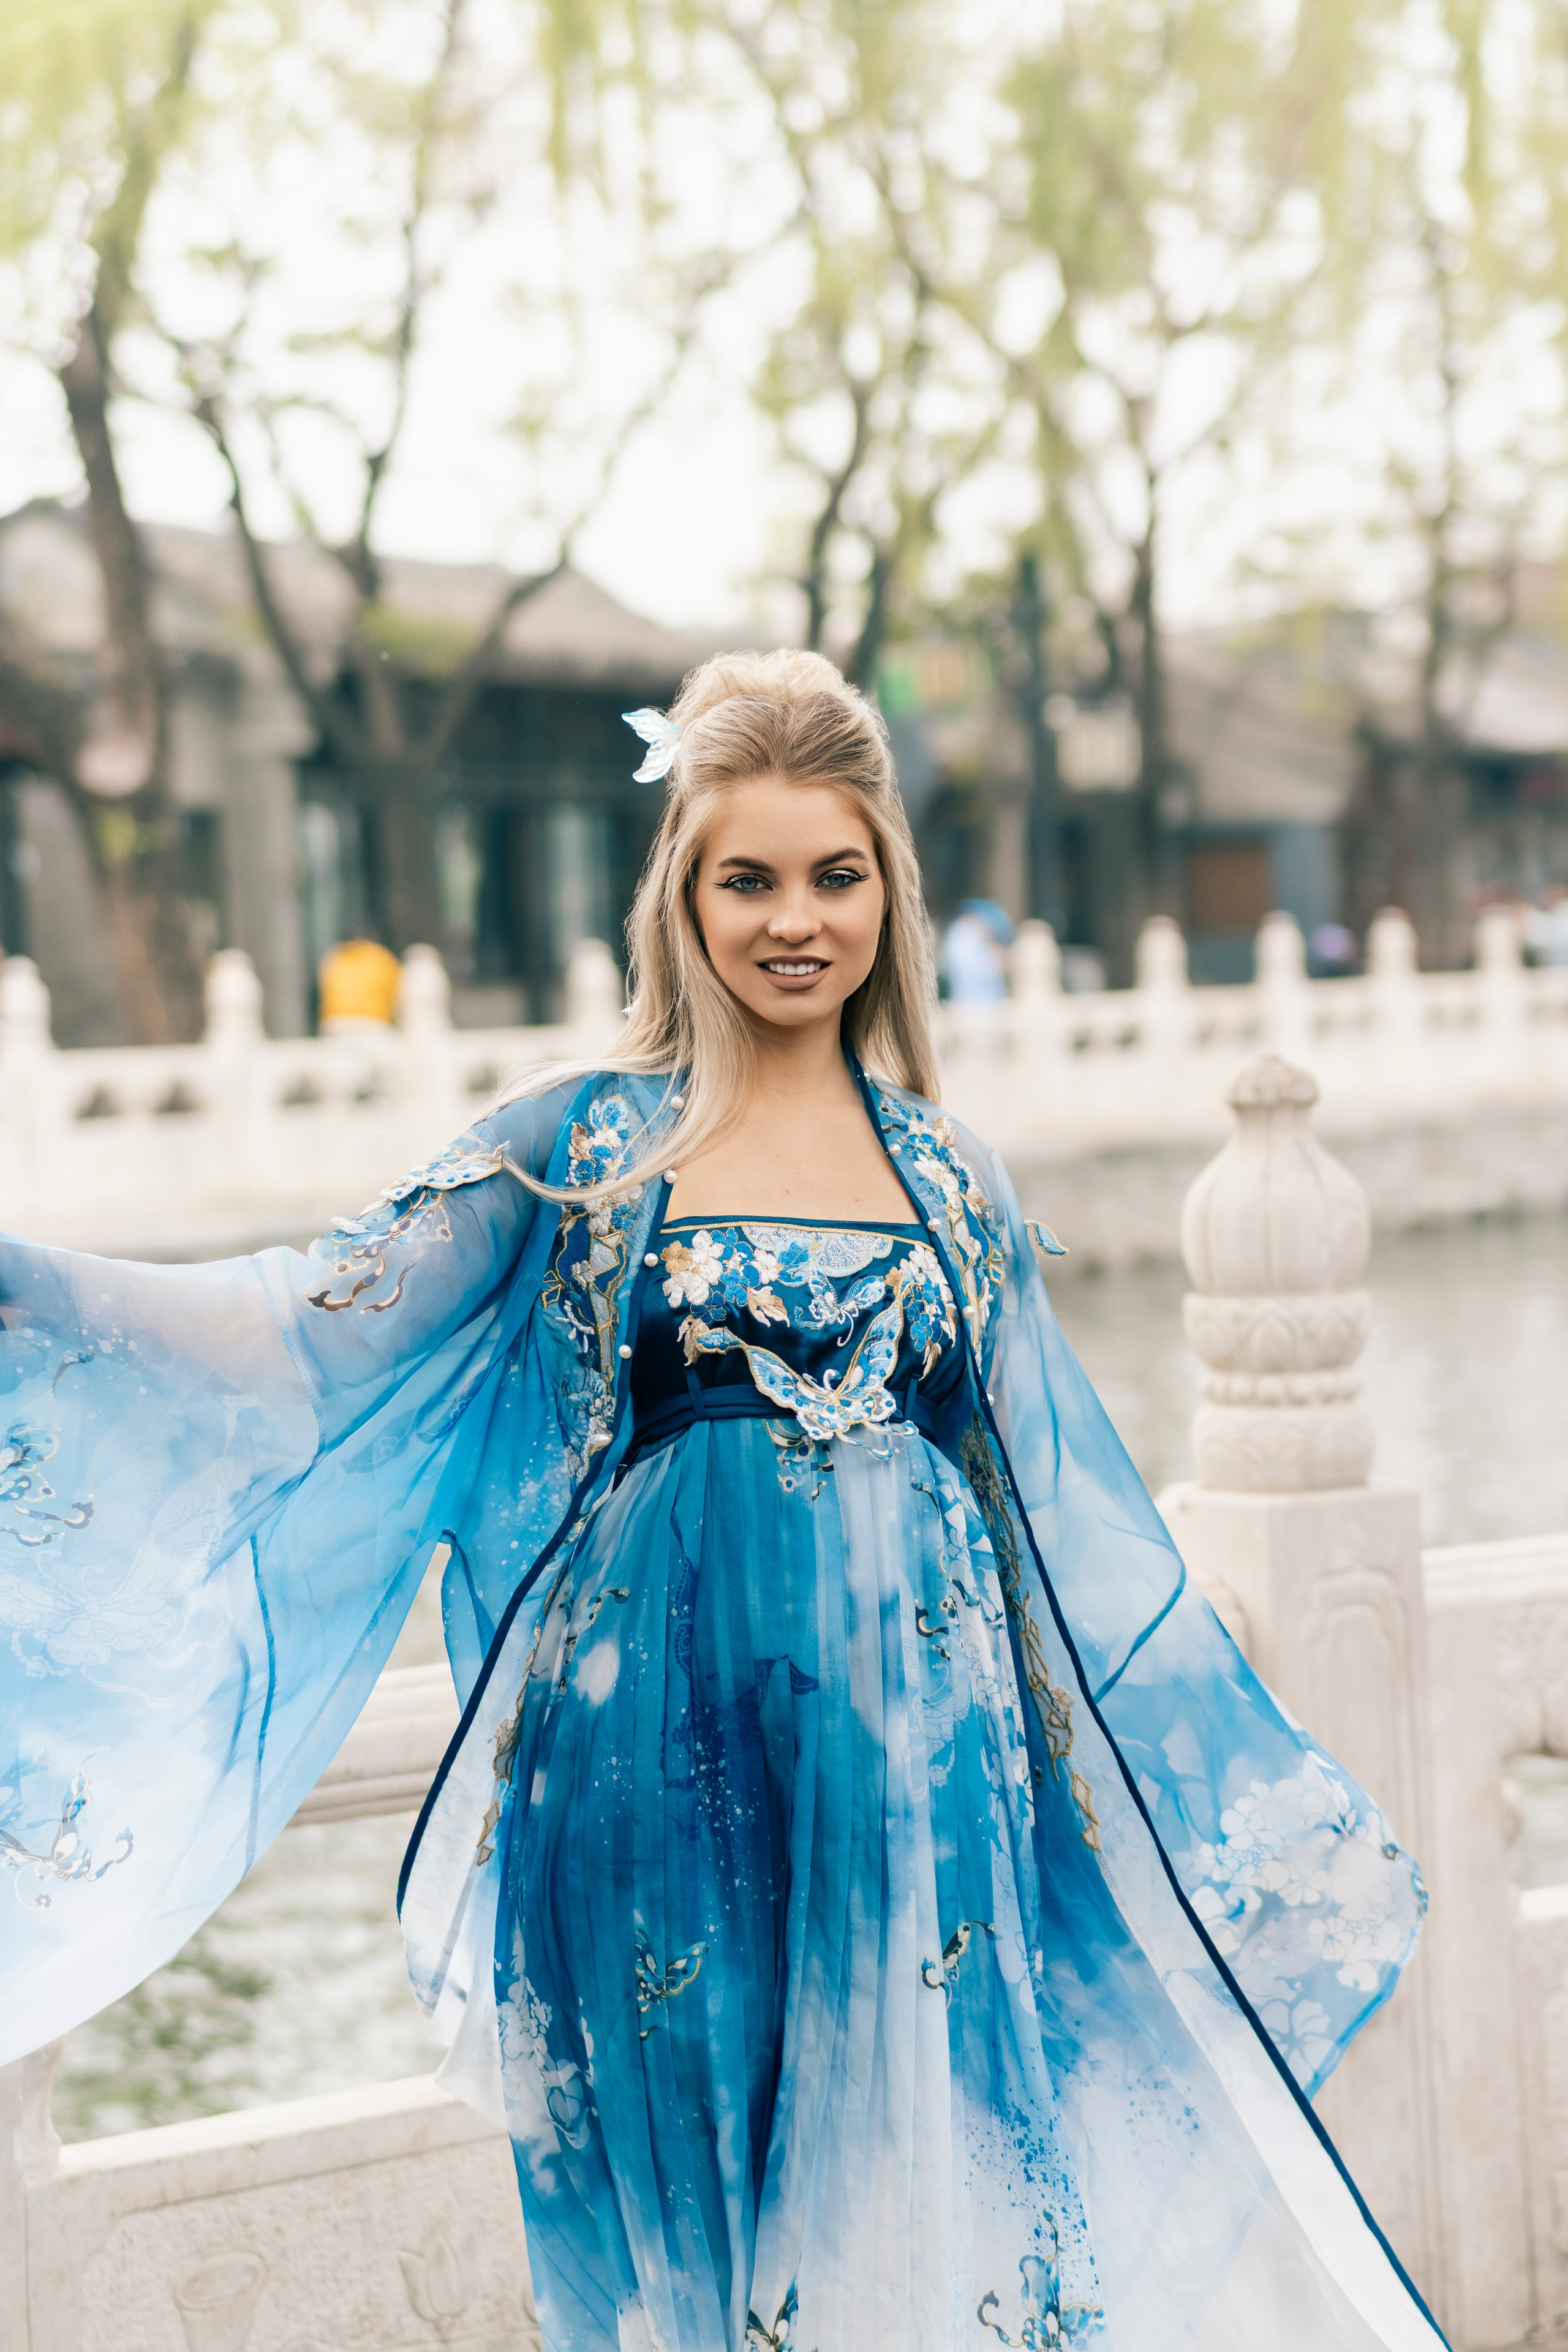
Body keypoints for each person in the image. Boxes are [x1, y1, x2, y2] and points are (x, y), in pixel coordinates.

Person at [1, 652, 1439, 2352]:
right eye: (744, 877)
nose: (792, 920)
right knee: (684, 2247)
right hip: (639, 1779)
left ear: (888, 889)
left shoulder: (949, 1177)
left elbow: (1066, 1522)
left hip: (924, 1785)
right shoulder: (584, 1152)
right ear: (679, 896)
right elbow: (298, 1336)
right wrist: (31, 1288)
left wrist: (1219, 1813)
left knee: (927, 2219)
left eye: (835, 874)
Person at [317, 927, 403, 1032]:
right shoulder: (381, 957)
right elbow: (399, 994)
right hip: (374, 1021)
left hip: (335, 1021)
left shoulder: (334, 957)